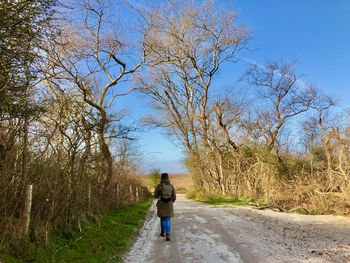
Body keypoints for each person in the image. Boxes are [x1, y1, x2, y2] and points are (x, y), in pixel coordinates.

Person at [154, 173, 176, 241]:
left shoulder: (159, 186)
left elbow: (155, 196)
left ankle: (162, 232)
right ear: (167, 178)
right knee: (167, 219)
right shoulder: (171, 186)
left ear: (161, 178)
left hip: (161, 203)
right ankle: (168, 234)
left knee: (162, 218)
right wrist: (171, 202)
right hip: (169, 204)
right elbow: (174, 197)